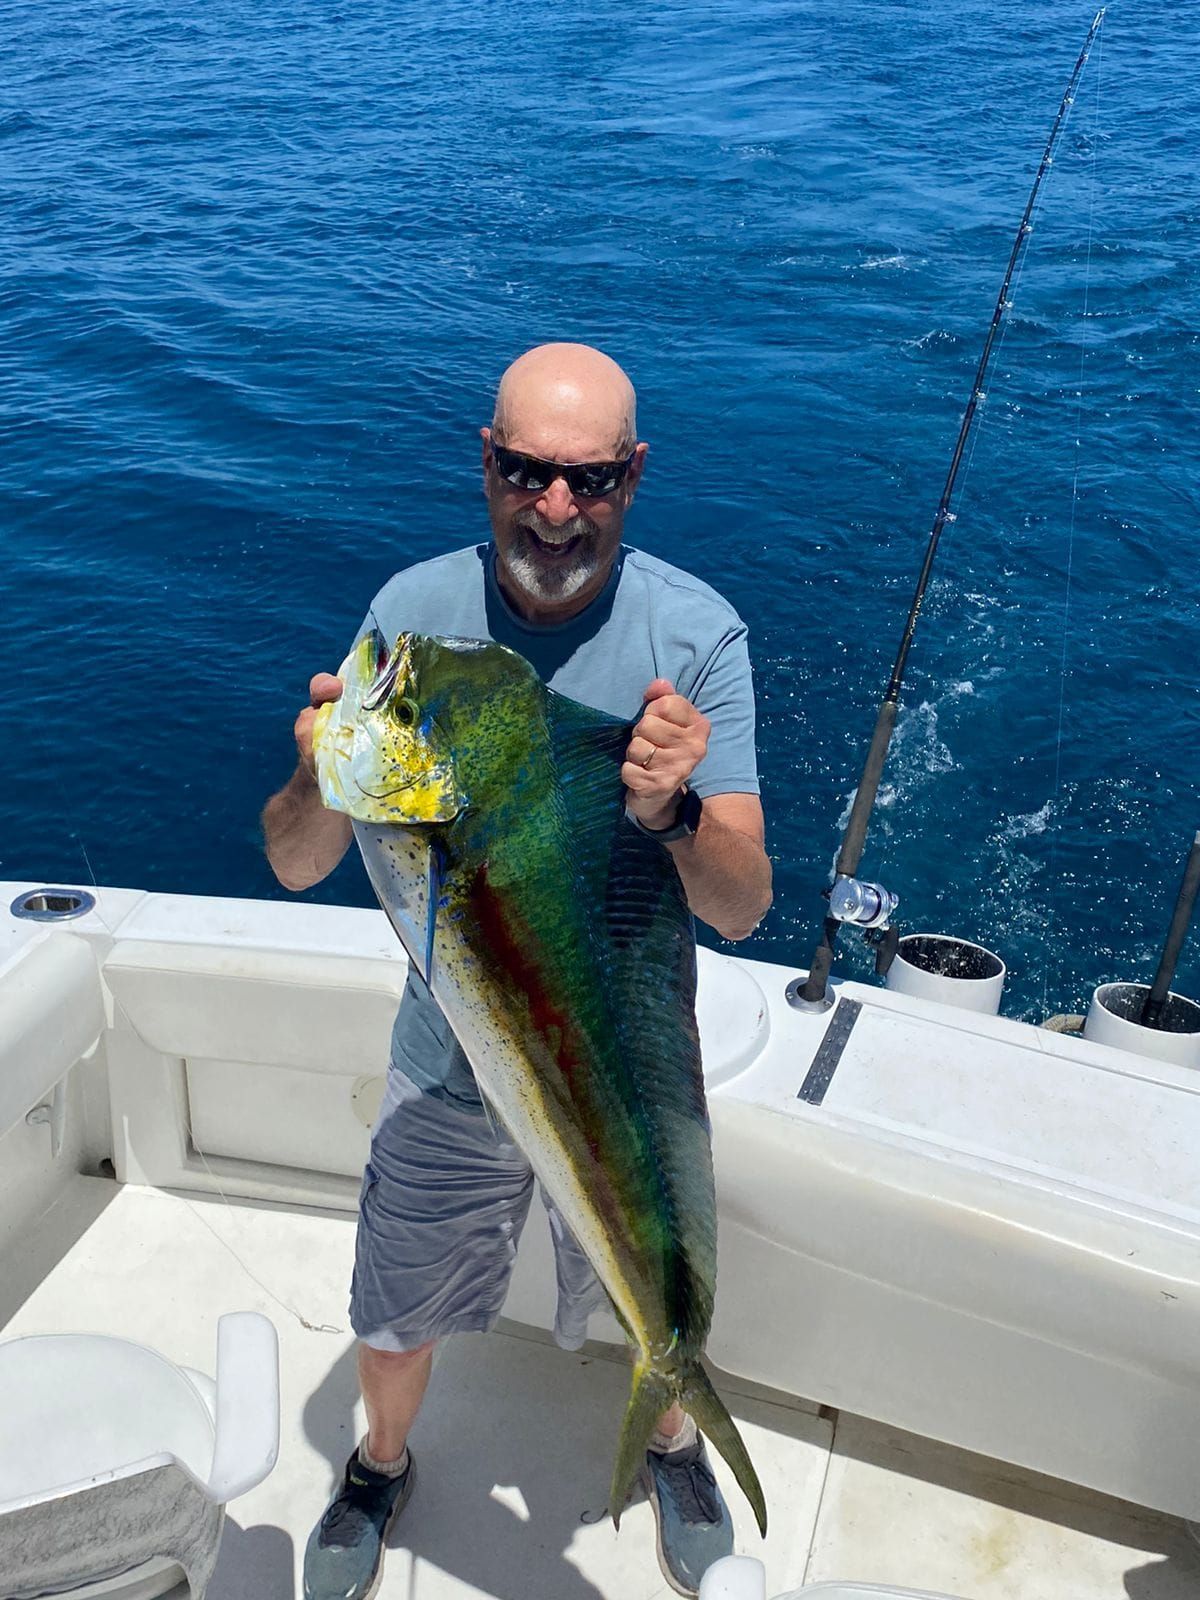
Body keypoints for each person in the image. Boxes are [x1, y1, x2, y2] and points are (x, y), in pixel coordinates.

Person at [263, 342, 772, 1600]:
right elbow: (294, 863)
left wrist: (674, 813)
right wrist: (321, 770)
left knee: (643, 1266)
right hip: (450, 1062)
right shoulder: (411, 611)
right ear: (485, 464)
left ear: (633, 477)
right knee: (396, 1299)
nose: (555, 507)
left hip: (614, 1068)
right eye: (527, 471)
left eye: (588, 480)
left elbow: (746, 905)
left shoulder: (697, 635)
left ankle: (671, 1427)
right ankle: (380, 1466)